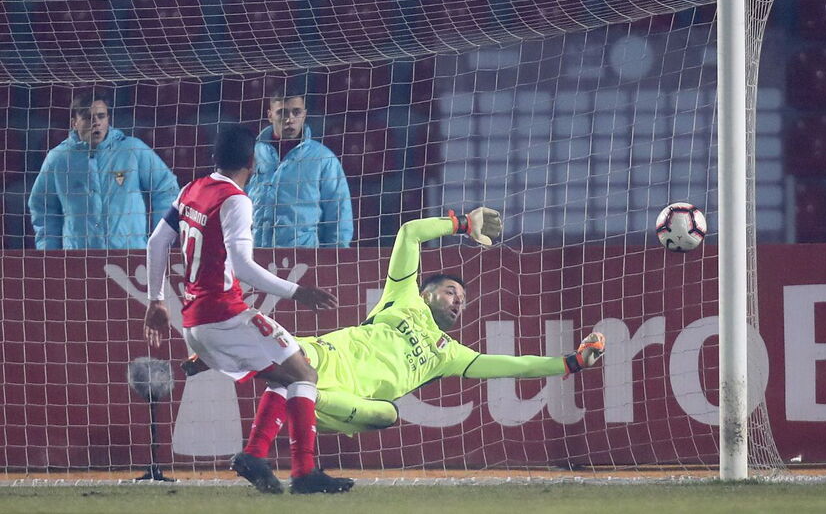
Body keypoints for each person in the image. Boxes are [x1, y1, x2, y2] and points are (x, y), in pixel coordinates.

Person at [183, 207, 606, 466]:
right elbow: (409, 233)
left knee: (386, 415)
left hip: (347, 401)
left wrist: (569, 362)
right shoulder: (402, 297)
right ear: (426, 291)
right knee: (295, 362)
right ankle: (244, 365)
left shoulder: (449, 354)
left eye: (463, 300)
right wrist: (461, 223)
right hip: (323, 357)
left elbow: (514, 366)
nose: (459, 301)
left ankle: (264, 378)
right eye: (451, 291)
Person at [143, 124, 353, 495]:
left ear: (214, 157)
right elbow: (241, 265)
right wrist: (296, 291)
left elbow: (158, 239)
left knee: (286, 372)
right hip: (225, 315)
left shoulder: (192, 189)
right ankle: (303, 473)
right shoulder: (235, 199)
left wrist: (157, 299)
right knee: (304, 375)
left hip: (197, 323)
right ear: (253, 161)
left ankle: (256, 454)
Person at [28, 96, 179, 249]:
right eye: (88, 117)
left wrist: (161, 239)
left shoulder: (132, 150)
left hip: (130, 253)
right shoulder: (58, 158)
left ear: (108, 119)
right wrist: (49, 252)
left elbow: (166, 188)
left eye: (101, 116)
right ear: (74, 123)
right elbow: (42, 206)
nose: (96, 122)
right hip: (78, 258)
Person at [247, 94, 353, 248]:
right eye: (282, 113)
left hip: (304, 259)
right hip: (254, 255)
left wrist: (333, 260)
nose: (289, 119)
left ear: (304, 115)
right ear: (270, 116)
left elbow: (339, 215)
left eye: (296, 112)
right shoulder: (252, 154)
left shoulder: (323, 159)